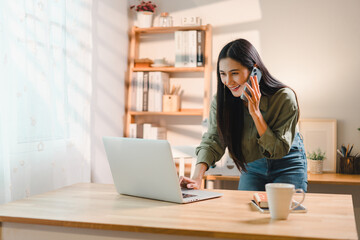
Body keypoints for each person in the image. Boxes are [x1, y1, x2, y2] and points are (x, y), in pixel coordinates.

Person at [179, 38, 307, 192]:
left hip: (287, 163)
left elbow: (278, 149)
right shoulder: (222, 101)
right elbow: (213, 140)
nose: (228, 81)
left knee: (285, 212)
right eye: (223, 74)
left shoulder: (284, 98)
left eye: (234, 73)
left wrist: (255, 113)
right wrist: (197, 177)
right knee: (245, 212)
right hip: (253, 166)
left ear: (254, 70)